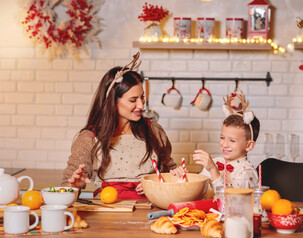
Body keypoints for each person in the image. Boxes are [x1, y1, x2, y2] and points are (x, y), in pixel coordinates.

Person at [61, 52, 176, 199]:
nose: (141, 105)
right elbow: (66, 188)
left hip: (149, 212)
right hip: (106, 213)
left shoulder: (154, 131)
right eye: (133, 100)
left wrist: (160, 182)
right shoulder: (89, 137)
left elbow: (170, 174)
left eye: (142, 97)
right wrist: (74, 187)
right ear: (113, 102)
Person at [171, 93, 260, 189]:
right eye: (222, 138)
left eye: (232, 140)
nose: (225, 144)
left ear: (249, 146)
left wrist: (214, 171)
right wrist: (185, 178)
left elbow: (230, 199)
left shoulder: (247, 173)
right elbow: (201, 190)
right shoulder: (215, 162)